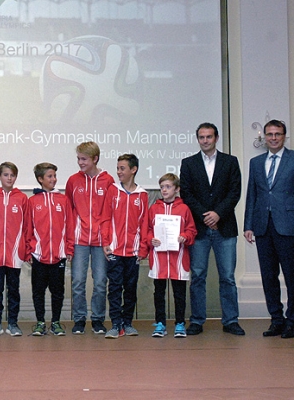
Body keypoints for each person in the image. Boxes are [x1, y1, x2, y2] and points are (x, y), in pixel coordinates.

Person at [180, 122, 245, 336]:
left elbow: (235, 192)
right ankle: (197, 321)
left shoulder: (230, 162)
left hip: (224, 227)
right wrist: (206, 216)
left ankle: (231, 320)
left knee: (227, 276)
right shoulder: (188, 163)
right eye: (201, 137)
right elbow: (187, 194)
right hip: (198, 228)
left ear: (216, 138)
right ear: (197, 139)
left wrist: (218, 214)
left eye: (209, 137)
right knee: (197, 275)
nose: (205, 141)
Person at [244, 119, 294, 339]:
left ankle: (292, 321)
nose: (273, 138)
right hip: (263, 226)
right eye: (270, 134)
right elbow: (251, 195)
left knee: (291, 276)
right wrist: (248, 225)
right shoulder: (256, 162)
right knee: (268, 276)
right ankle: (276, 319)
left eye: (278, 134)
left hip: (288, 226)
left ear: (284, 136)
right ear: (264, 136)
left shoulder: (293, 159)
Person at [65, 141, 114, 335]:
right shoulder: (73, 181)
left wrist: (108, 239)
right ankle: (79, 319)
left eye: (84, 159)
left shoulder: (108, 181)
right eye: (78, 158)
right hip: (79, 239)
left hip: (101, 241)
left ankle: (98, 319)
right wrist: (69, 240)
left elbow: (111, 211)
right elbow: (69, 211)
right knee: (77, 281)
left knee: (101, 281)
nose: (80, 162)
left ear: (95, 159)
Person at [101, 154, 148, 339]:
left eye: (122, 168)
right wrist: (106, 242)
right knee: (114, 287)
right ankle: (115, 324)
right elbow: (105, 217)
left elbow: (144, 223)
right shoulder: (112, 191)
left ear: (133, 170)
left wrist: (142, 248)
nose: (118, 171)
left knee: (130, 288)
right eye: (118, 168)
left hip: (133, 251)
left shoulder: (142, 195)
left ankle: (127, 322)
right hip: (114, 250)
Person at [27, 162, 74, 336]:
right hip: (39, 255)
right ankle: (40, 322)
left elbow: (69, 225)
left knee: (58, 291)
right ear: (40, 179)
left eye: (54, 175)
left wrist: (69, 248)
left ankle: (56, 322)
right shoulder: (32, 201)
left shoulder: (63, 200)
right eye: (49, 176)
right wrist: (28, 250)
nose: (53, 179)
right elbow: (28, 228)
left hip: (59, 255)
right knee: (38, 291)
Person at [148, 173, 197, 338]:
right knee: (159, 292)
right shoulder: (154, 208)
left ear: (177, 189)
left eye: (168, 186)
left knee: (179, 293)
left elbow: (192, 230)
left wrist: (185, 237)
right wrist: (151, 239)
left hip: (178, 258)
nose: (164, 190)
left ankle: (180, 323)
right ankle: (160, 323)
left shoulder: (184, 209)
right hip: (159, 258)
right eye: (162, 187)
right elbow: (147, 230)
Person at [0, 162, 29, 337]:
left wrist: (25, 249)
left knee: (14, 289)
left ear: (15, 177)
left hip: (15, 252)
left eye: (12, 175)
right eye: (5, 175)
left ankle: (13, 323)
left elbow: (27, 226)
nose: (9, 178)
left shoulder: (22, 198)